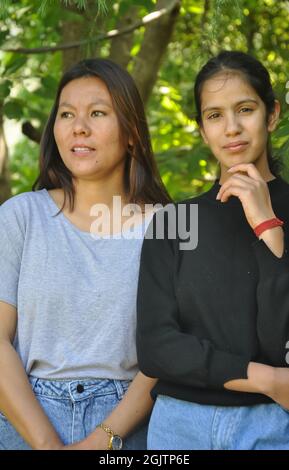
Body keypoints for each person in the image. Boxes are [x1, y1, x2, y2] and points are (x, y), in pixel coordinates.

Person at [0, 58, 171, 450]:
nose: (79, 126)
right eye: (66, 114)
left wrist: (103, 439)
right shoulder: (20, 217)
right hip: (23, 415)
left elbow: (168, 352)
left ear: (131, 133)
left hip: (130, 423)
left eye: (97, 112)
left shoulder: (168, 227)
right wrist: (46, 444)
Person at [136, 50, 289, 450]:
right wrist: (268, 379)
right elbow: (155, 347)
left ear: (272, 115)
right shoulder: (173, 221)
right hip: (178, 425)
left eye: (245, 109)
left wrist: (268, 225)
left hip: (274, 426)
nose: (232, 128)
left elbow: (281, 340)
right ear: (203, 130)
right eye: (215, 115)